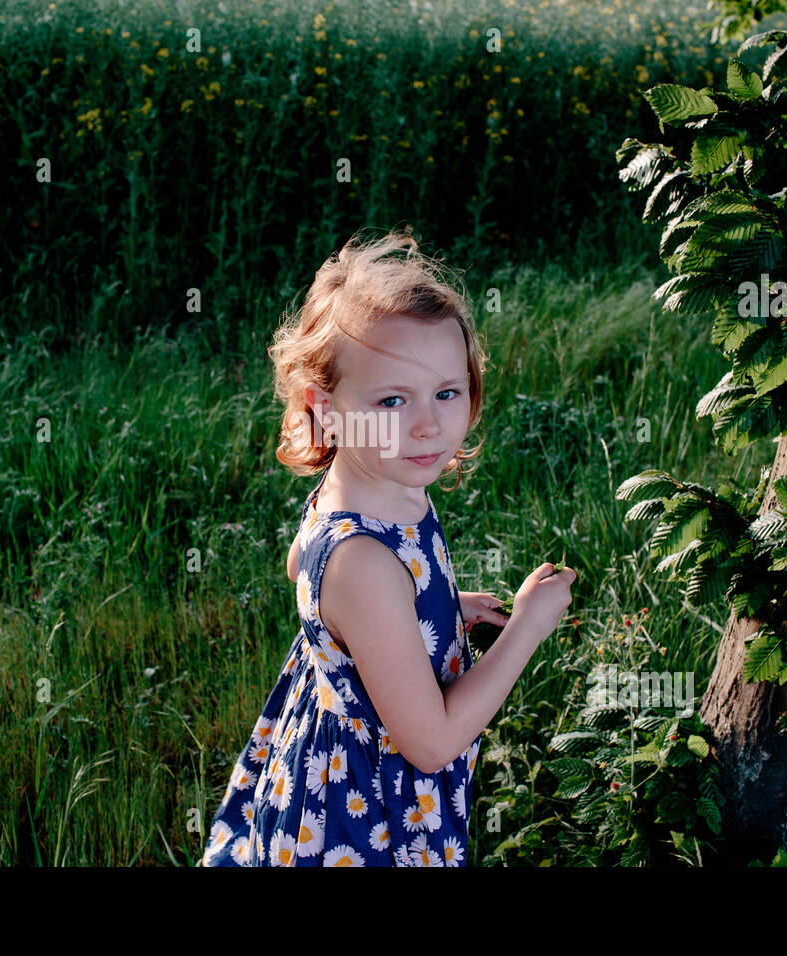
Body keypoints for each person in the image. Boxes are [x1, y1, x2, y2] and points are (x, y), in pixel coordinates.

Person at [200, 227, 576, 866]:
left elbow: (301, 565)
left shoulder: (359, 480)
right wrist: (528, 629)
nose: (430, 424)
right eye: (393, 399)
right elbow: (431, 745)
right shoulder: (363, 562)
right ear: (327, 408)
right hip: (364, 811)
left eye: (447, 392)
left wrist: (434, 611)